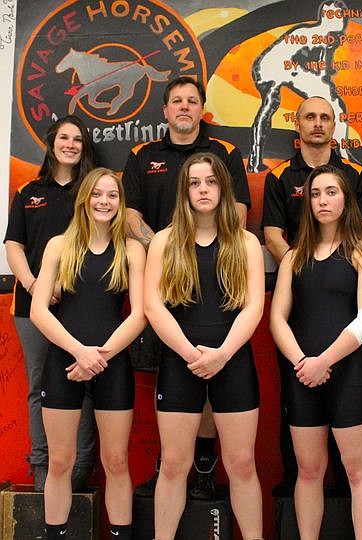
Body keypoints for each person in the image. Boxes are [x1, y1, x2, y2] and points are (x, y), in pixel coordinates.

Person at [122, 75, 251, 498]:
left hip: (217, 281)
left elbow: (238, 212)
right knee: (172, 374)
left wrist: (197, 253)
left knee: (215, 378)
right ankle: (171, 463)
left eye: (191, 101)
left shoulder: (224, 154)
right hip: (166, 284)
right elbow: (129, 217)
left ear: (202, 109)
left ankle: (204, 464)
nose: (184, 107)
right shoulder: (143, 155)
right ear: (165, 110)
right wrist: (171, 250)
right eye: (176, 101)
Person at [144, 152, 264, 540]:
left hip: (233, 360)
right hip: (182, 362)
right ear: (185, 191)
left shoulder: (245, 242)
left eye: (210, 181)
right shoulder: (164, 241)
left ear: (223, 188)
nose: (203, 189)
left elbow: (254, 306)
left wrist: (223, 354)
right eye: (195, 183)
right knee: (175, 464)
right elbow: (153, 306)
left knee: (242, 464)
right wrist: (189, 354)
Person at [262, 95, 362, 491]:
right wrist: (301, 264)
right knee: (297, 414)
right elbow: (272, 234)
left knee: (353, 452)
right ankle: (296, 486)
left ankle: (344, 495)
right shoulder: (279, 177)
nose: (317, 123)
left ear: (334, 124)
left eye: (325, 117)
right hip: (298, 304)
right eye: (309, 117)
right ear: (298, 124)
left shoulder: (355, 174)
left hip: (342, 299)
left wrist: (333, 261)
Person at [30, 168, 146, 540]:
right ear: (84, 199)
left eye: (112, 195)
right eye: (97, 194)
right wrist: (79, 352)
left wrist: (101, 357)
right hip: (65, 362)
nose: (104, 202)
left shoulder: (131, 250)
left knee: (116, 462)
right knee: (60, 461)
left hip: (112, 365)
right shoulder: (59, 246)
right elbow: (38, 311)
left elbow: (141, 314)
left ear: (120, 202)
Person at [270, 164, 362, 540]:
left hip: (348, 374)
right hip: (302, 375)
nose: (322, 200)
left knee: (357, 470)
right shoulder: (294, 255)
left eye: (331, 192)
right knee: (309, 471)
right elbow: (277, 320)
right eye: (315, 193)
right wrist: (304, 364)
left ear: (346, 199)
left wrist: (324, 362)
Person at [4, 115, 97, 492]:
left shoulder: (93, 192)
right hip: (32, 308)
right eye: (64, 138)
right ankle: (41, 469)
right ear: (52, 143)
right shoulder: (29, 191)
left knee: (85, 383)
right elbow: (14, 246)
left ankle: (79, 470)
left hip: (82, 306)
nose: (70, 145)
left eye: (77, 139)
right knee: (39, 385)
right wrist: (34, 283)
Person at [248, 0, 350, 172]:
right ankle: (255, 157)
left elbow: (323, 69)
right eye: (335, 16)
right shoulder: (311, 34)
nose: (341, 21)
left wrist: (324, 80)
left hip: (291, 69)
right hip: (270, 67)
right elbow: (316, 68)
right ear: (325, 17)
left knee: (335, 106)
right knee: (270, 105)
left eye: (341, 16)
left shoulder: (330, 37)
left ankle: (344, 158)